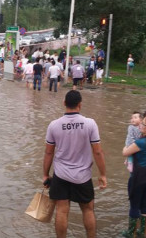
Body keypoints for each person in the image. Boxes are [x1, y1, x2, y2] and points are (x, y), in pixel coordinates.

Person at [43, 90, 107, 238]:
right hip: (83, 176)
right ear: (80, 105)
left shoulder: (54, 125)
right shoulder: (90, 124)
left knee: (62, 210)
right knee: (88, 210)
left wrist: (45, 174)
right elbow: (97, 152)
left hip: (60, 174)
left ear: (64, 103)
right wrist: (103, 174)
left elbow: (48, 153)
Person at [122, 114, 146, 237]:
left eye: (143, 124)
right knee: (145, 204)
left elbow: (125, 152)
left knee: (134, 205)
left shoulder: (141, 142)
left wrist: (125, 147)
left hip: (138, 177)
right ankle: (142, 232)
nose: (140, 125)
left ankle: (130, 233)